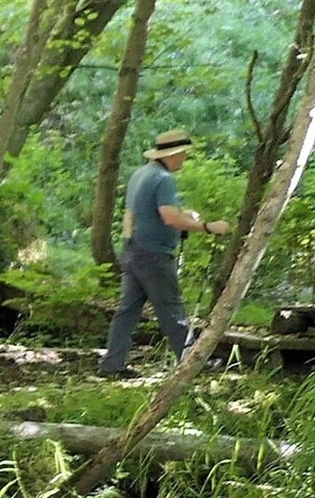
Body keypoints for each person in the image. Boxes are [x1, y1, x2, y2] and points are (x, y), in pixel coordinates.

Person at [99, 128, 231, 377]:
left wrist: (185, 215)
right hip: (153, 254)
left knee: (127, 311)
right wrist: (207, 227)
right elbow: (169, 217)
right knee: (172, 309)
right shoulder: (164, 179)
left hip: (132, 248)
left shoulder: (142, 174)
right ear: (173, 154)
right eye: (183, 154)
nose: (184, 158)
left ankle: (112, 364)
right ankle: (192, 364)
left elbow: (146, 212)